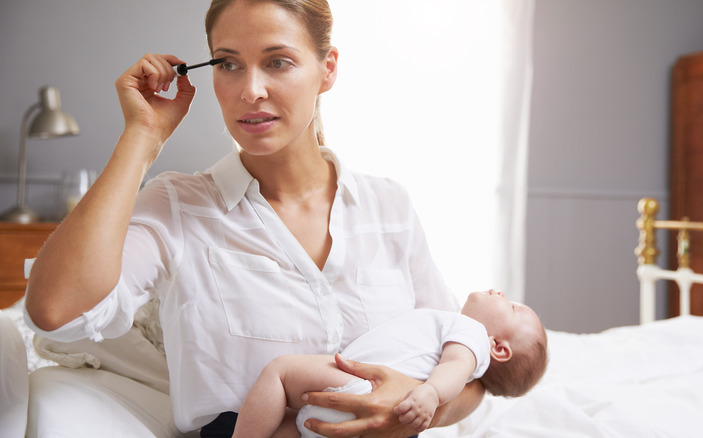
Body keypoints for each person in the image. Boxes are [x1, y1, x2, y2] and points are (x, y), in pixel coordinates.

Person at [23, 0, 484, 436]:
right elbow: (55, 312)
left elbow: (471, 370)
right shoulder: (178, 207)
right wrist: (142, 137)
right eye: (228, 63)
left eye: (278, 61)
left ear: (328, 69)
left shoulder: (388, 206)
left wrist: (413, 408)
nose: (250, 90)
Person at [233, 290, 548, 438]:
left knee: (280, 371)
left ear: (498, 348)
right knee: (292, 428)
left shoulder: (473, 334)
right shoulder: (459, 329)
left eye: (513, 307)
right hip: (354, 417)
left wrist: (431, 394)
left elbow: (455, 366)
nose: (503, 294)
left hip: (361, 389)